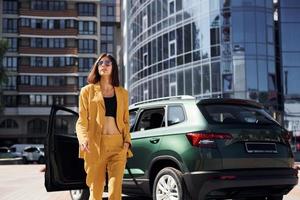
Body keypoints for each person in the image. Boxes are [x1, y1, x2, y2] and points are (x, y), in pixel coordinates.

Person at [76, 53, 133, 200]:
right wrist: (83, 139)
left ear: (113, 67)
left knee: (115, 192)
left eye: (107, 63)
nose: (103, 65)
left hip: (118, 145)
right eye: (100, 63)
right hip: (95, 145)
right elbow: (82, 121)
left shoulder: (122, 93)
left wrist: (127, 142)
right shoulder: (87, 92)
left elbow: (126, 121)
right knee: (96, 192)